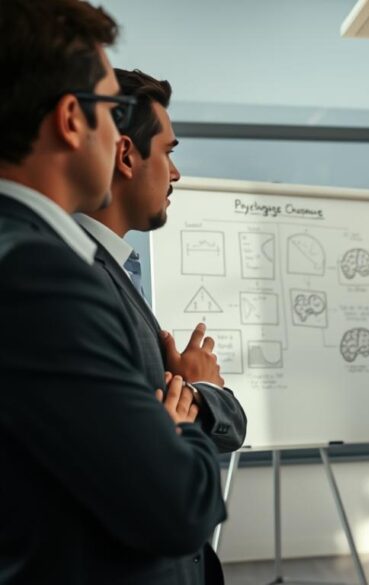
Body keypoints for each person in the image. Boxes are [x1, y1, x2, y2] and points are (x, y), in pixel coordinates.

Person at [0, 1, 226, 582]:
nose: (118, 132)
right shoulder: (36, 276)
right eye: (109, 109)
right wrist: (188, 410)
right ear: (74, 119)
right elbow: (177, 506)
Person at [74, 67, 248, 585]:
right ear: (126, 155)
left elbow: (204, 425)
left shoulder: (114, 272)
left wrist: (188, 399)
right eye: (169, 152)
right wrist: (200, 387)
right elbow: (144, 456)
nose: (176, 173)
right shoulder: (79, 281)